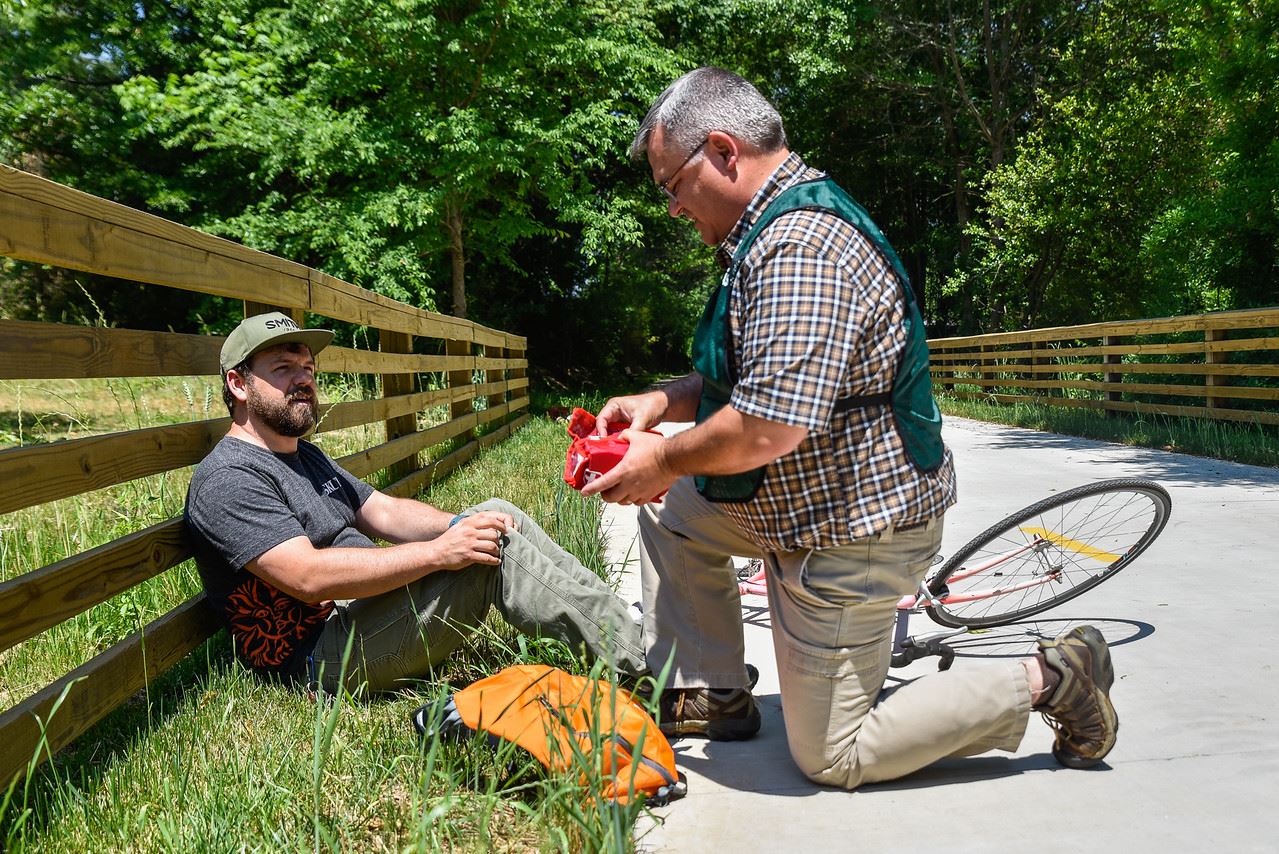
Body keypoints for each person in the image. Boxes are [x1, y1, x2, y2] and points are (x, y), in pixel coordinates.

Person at [580, 67, 1118, 788]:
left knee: (833, 755)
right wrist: (661, 401)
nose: (671, 206)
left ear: (720, 150)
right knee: (675, 517)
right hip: (790, 500)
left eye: (669, 183)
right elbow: (751, 377)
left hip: (851, 526)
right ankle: (714, 690)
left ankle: (1050, 676)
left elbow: (767, 425)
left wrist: (664, 459)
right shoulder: (762, 232)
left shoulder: (798, 246)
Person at [185, 312, 646, 694]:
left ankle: (626, 628)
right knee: (489, 554)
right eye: (283, 368)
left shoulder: (301, 453)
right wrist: (441, 552)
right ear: (239, 385)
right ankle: (647, 672)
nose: (304, 379)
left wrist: (461, 523)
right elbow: (306, 577)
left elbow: (382, 511)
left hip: (368, 610)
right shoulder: (229, 478)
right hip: (323, 656)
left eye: (307, 367)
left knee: (495, 516)